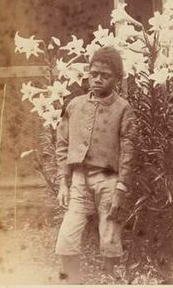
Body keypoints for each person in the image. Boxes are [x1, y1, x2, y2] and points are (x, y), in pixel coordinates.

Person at [55, 46, 136, 284]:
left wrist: (121, 188)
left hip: (108, 181)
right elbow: (62, 145)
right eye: (94, 74)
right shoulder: (74, 105)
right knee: (66, 237)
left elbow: (129, 152)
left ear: (117, 79)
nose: (98, 79)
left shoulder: (123, 109)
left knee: (110, 234)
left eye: (105, 75)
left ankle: (109, 278)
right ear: (88, 74)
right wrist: (63, 183)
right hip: (79, 181)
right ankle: (72, 281)